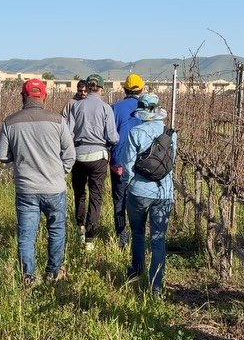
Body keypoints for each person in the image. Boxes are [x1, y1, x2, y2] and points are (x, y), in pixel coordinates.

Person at [0, 77, 75, 285]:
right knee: (56, 230)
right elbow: (70, 154)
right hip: (54, 188)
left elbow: (1, 155)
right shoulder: (58, 121)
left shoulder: (10, 122)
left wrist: (18, 157)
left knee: (26, 235)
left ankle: (28, 278)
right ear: (44, 97)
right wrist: (60, 172)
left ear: (23, 96)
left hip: (26, 189)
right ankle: (53, 272)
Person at [122, 93, 177, 293]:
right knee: (158, 238)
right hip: (164, 192)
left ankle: (136, 271)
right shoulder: (170, 133)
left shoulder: (135, 132)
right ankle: (156, 286)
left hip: (139, 191)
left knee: (137, 233)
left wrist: (127, 182)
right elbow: (172, 162)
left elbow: (127, 164)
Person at [66, 73, 118, 250]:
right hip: (98, 156)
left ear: (87, 88)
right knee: (96, 196)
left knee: (79, 192)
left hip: (78, 155)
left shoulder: (76, 106)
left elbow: (68, 133)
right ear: (102, 89)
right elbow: (112, 137)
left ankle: (80, 226)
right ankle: (90, 237)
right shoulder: (106, 108)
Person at [109, 73, 145, 247]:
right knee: (139, 201)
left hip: (119, 163)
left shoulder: (114, 108)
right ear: (142, 89)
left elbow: (109, 136)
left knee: (119, 201)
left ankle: (122, 239)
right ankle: (138, 236)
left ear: (124, 89)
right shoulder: (147, 108)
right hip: (142, 164)